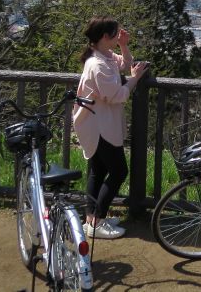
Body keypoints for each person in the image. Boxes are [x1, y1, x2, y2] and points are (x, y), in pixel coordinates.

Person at [73, 16, 150, 240]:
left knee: (97, 172)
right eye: (116, 34)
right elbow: (117, 95)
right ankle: (98, 220)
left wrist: (124, 45)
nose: (119, 36)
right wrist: (134, 79)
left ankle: (91, 219)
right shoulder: (98, 65)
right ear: (105, 37)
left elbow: (124, 64)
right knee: (118, 171)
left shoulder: (104, 56)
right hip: (100, 126)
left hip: (96, 123)